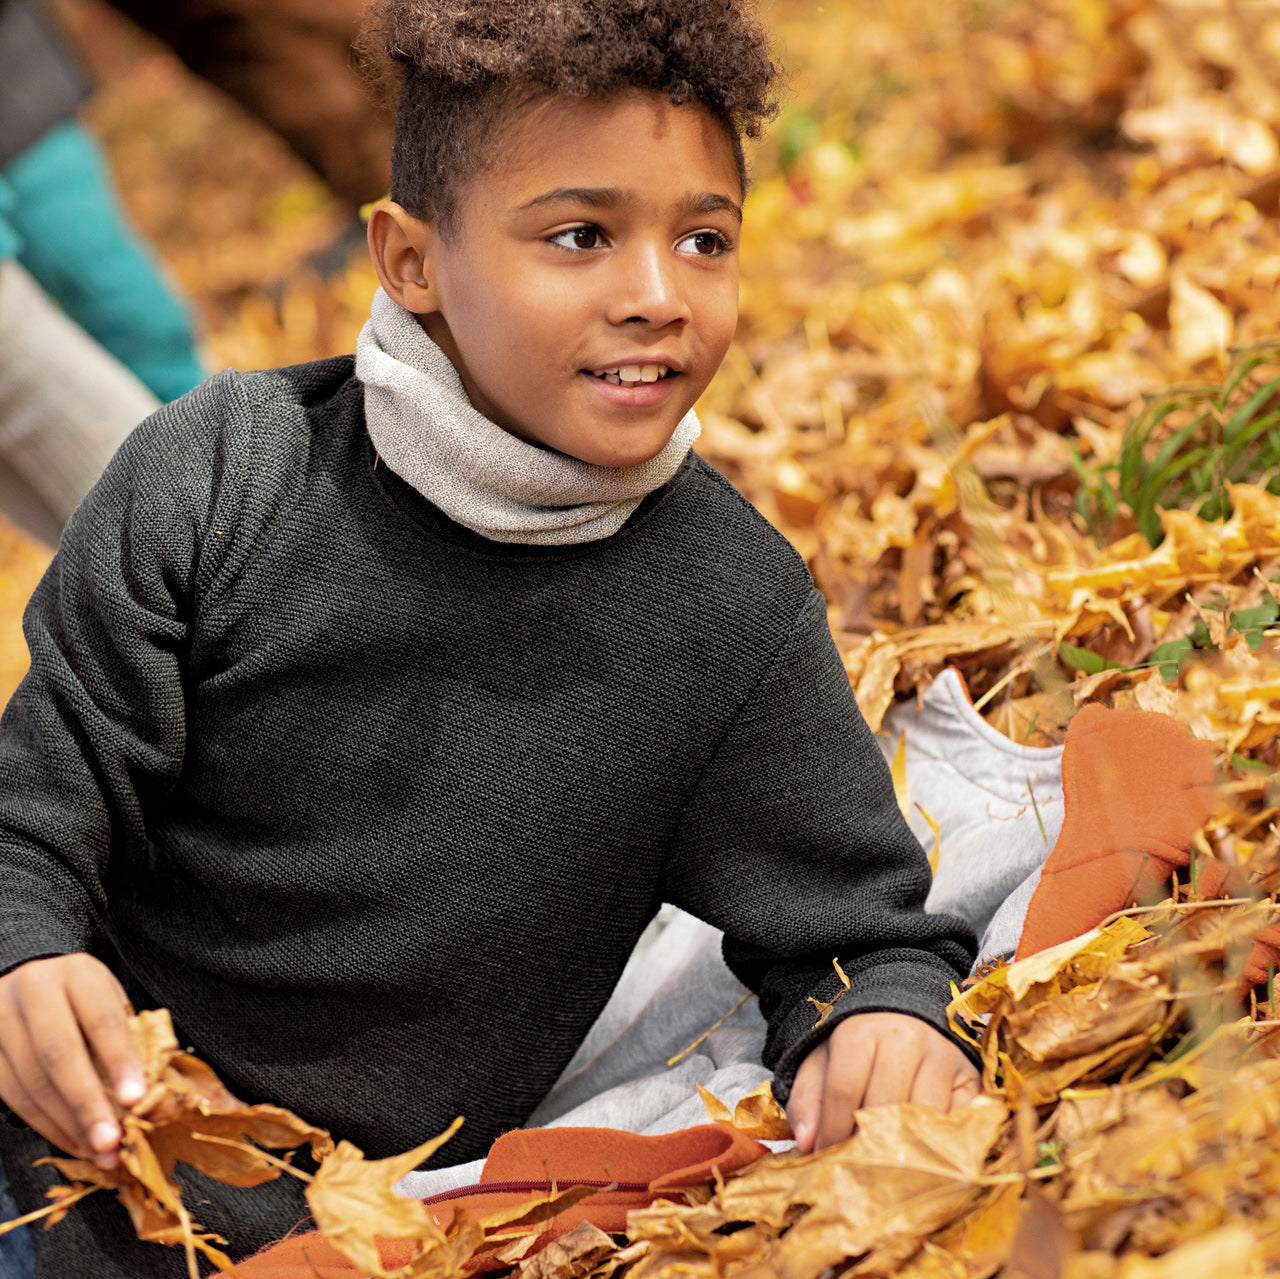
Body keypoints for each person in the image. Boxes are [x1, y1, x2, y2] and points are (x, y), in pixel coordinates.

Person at [0, 2, 980, 1274]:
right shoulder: (215, 478)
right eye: (578, 236)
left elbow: (853, 934)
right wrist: (23, 955)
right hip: (51, 1148)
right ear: (410, 262)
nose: (653, 297)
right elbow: (31, 817)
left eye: (702, 240)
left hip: (347, 1233)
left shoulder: (724, 607)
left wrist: (885, 1021)